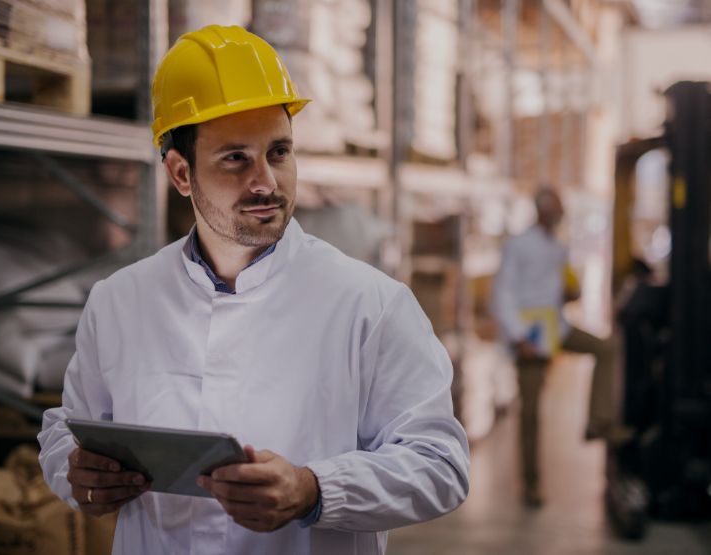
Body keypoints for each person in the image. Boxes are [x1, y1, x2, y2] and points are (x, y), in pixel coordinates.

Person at [37, 25, 469, 554]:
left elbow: (440, 463)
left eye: (279, 152)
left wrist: (314, 489)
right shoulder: (120, 301)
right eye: (235, 158)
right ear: (180, 174)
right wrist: (76, 473)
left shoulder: (369, 305)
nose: (266, 181)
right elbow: (66, 429)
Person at [492, 187, 629, 508]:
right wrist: (519, 335)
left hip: (555, 326)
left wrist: (570, 292)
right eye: (556, 209)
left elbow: (558, 288)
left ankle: (599, 421)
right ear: (541, 211)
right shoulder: (518, 246)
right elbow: (503, 293)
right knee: (531, 412)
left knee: (607, 346)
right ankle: (531, 484)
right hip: (531, 332)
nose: (560, 214)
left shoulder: (557, 246)